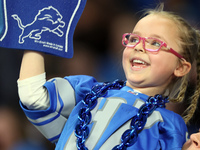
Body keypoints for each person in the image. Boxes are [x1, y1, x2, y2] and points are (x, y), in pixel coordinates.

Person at [17, 3, 200, 150]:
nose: (138, 46)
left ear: (181, 67)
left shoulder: (169, 126)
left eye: (154, 43)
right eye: (134, 39)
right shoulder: (86, 90)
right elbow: (32, 96)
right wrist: (36, 38)